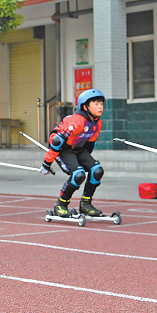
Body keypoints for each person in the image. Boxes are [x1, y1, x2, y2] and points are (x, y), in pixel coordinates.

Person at [39, 88, 104, 217]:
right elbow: (57, 142)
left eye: (101, 103)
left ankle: (86, 204)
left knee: (97, 171)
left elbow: (90, 144)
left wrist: (87, 163)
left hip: (79, 149)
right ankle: (61, 205)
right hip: (64, 149)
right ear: (85, 107)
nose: (100, 107)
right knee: (78, 175)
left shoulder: (97, 123)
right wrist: (46, 164)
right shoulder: (76, 121)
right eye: (95, 104)